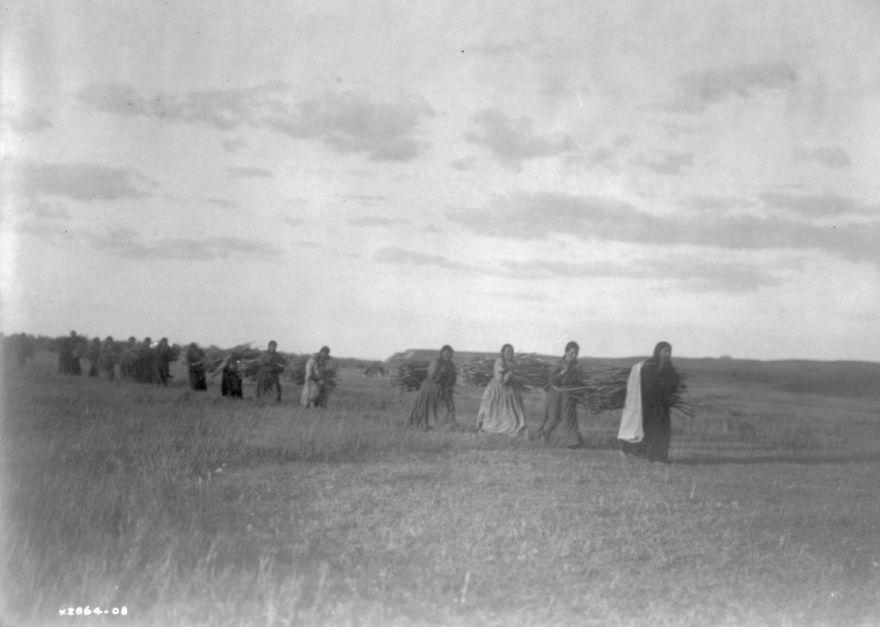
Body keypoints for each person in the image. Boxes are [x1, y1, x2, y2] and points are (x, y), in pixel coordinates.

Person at [618, 341, 680, 463]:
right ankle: (646, 455)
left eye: (669, 352)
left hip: (663, 405)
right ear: (658, 352)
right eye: (665, 351)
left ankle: (660, 457)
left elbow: (674, 382)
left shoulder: (669, 367)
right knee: (650, 430)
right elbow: (648, 384)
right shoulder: (649, 366)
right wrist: (660, 388)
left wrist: (668, 391)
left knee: (663, 430)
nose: (667, 354)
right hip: (650, 405)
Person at [539, 341, 586, 448]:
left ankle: (571, 443)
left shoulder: (577, 366)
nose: (574, 356)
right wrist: (563, 372)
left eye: (576, 353)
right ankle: (545, 436)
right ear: (566, 352)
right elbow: (552, 380)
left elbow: (580, 380)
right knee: (553, 418)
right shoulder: (559, 363)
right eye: (572, 353)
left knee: (569, 419)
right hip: (555, 394)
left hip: (569, 395)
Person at [476, 344, 527, 437]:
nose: (510, 354)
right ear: (503, 353)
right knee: (497, 411)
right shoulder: (499, 362)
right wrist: (509, 375)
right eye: (508, 351)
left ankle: (512, 429)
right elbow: (500, 378)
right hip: (498, 390)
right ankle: (493, 429)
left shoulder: (514, 363)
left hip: (511, 390)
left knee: (512, 411)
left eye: (512, 351)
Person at [409, 345, 457, 430]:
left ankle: (445, 426)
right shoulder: (436, 362)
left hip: (445, 389)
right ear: (442, 353)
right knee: (430, 408)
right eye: (447, 353)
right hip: (432, 388)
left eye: (450, 353)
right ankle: (430, 425)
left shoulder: (451, 364)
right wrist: (442, 373)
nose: (449, 355)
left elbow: (453, 376)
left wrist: (451, 383)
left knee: (447, 408)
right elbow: (432, 376)